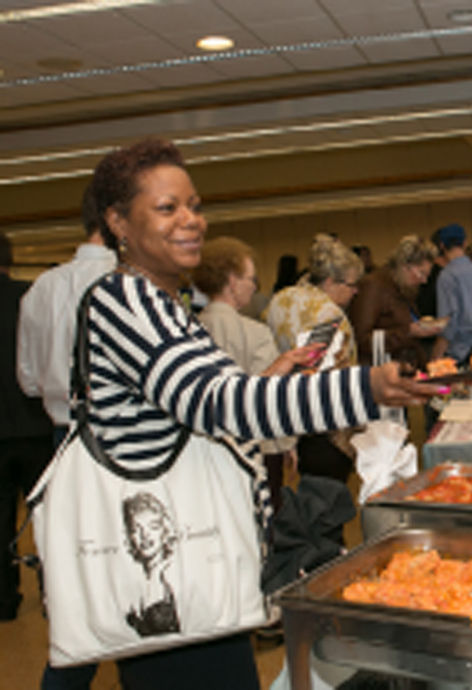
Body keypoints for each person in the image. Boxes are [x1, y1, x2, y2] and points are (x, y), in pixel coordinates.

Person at [40, 138, 437, 690]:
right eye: (167, 208)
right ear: (118, 222)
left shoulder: (163, 303)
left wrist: (269, 381)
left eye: (195, 206)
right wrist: (367, 387)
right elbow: (220, 405)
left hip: (194, 562)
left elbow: (208, 397)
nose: (191, 221)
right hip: (173, 567)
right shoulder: (125, 302)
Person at [193, 236, 308, 511]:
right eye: (251, 279)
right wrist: (288, 444)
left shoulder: (188, 329)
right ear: (232, 282)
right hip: (257, 450)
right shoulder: (254, 333)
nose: (254, 287)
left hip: (203, 453)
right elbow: (268, 398)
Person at [17, 181, 117, 446]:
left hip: (63, 434)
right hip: (120, 435)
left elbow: (28, 381)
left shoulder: (42, 287)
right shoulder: (129, 281)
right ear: (118, 220)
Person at [264, 234, 365, 485]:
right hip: (325, 426)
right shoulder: (330, 314)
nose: (355, 291)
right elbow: (335, 380)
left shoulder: (281, 299)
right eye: (351, 285)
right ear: (330, 282)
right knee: (327, 502)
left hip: (287, 414)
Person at [0, 233, 54, 624]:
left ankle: (4, 599)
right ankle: (55, 595)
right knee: (50, 520)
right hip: (37, 426)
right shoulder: (30, 297)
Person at [348, 235, 440, 369]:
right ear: (405, 266)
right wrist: (409, 332)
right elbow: (360, 340)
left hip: (404, 369)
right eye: (421, 274)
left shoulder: (403, 287)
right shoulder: (373, 286)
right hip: (383, 373)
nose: (424, 281)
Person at [430, 224, 472, 364]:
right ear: (465, 243)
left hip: (463, 356)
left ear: (442, 246)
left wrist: (435, 359)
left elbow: (448, 323)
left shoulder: (447, 276)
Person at [122, 492, 180, 638]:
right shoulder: (132, 579)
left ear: (165, 530)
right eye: (137, 529)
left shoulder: (174, 573)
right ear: (130, 536)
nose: (145, 535)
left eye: (153, 526)